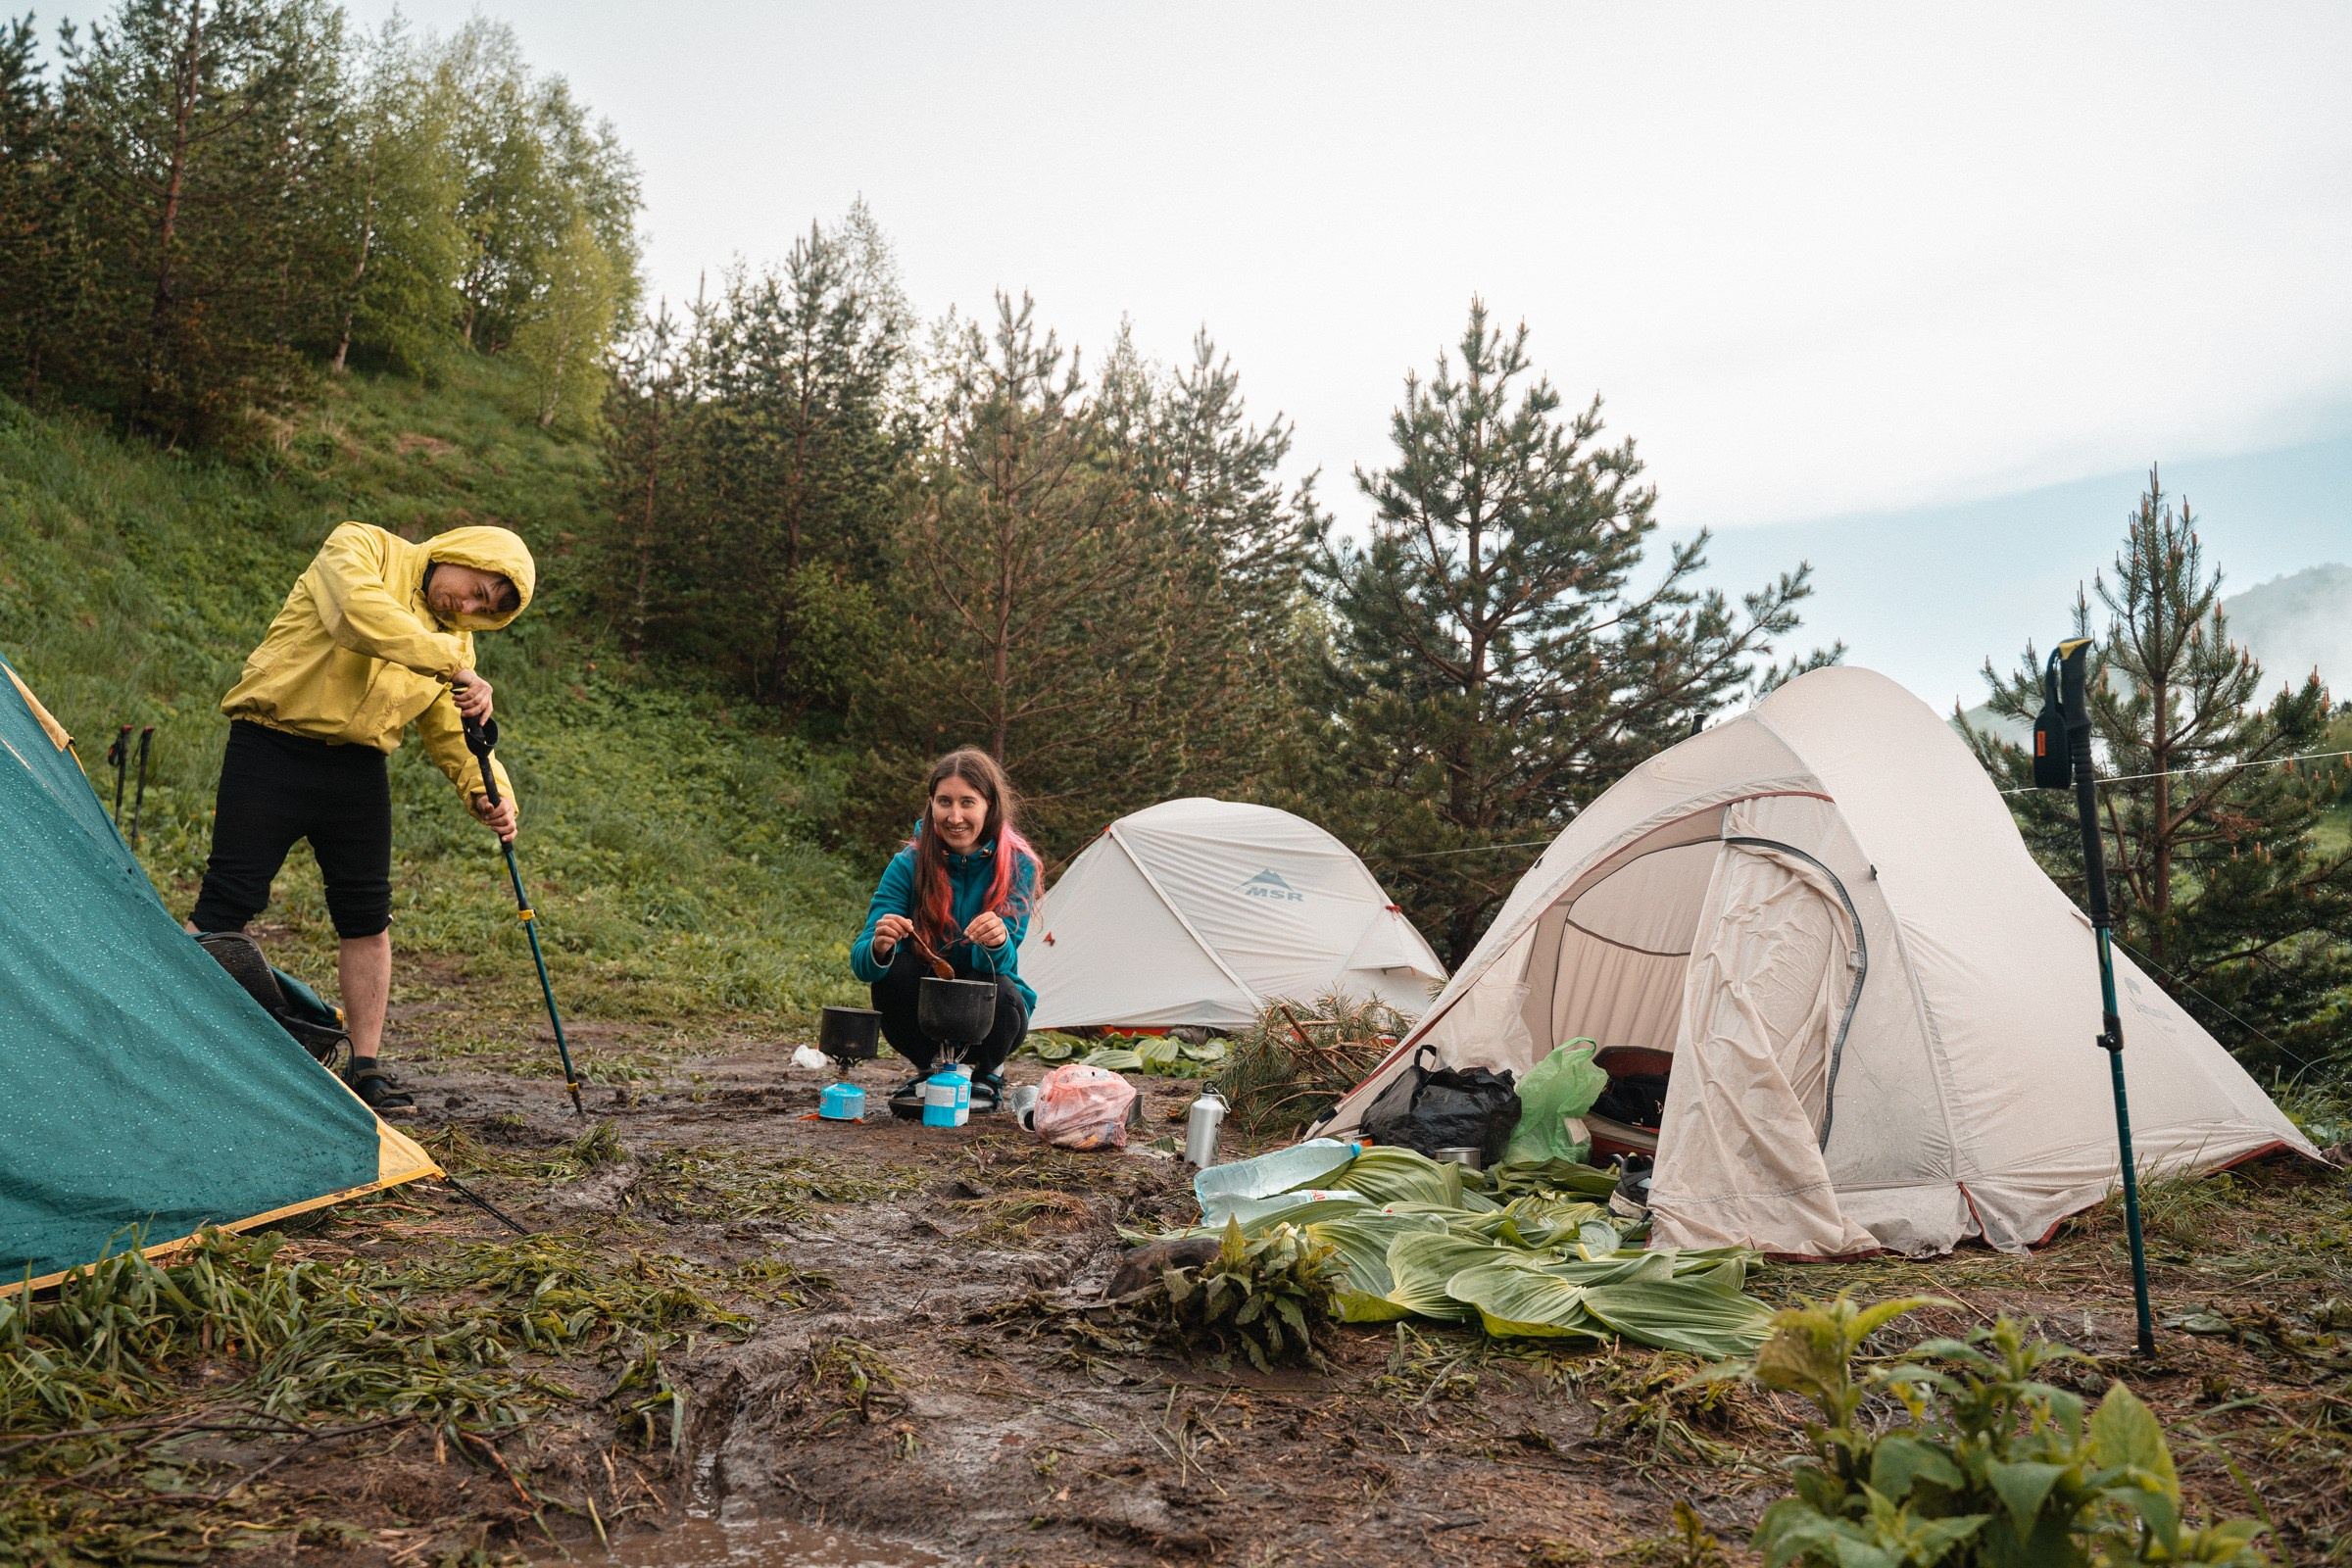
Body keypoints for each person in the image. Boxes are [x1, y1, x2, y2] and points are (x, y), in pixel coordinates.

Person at [188, 522, 536, 1116]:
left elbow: (454, 733)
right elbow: (356, 614)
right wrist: (451, 661)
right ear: (460, 553)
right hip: (270, 745)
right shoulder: (361, 547)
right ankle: (166, 1033)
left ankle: (366, 1070)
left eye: (484, 608)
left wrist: (489, 792)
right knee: (227, 903)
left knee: (367, 917)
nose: (469, 606)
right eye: (476, 587)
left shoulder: (455, 644)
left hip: (357, 769)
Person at [849, 748, 1041, 1112]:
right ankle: (929, 1070)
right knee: (893, 976)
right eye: (944, 802)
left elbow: (1005, 961)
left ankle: (987, 1072)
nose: (955, 817)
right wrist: (880, 946)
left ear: (989, 805)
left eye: (968, 802)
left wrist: (998, 940)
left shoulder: (1018, 865)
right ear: (931, 804)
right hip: (927, 1003)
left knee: (997, 988)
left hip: (989, 1004)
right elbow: (862, 961)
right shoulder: (908, 864)